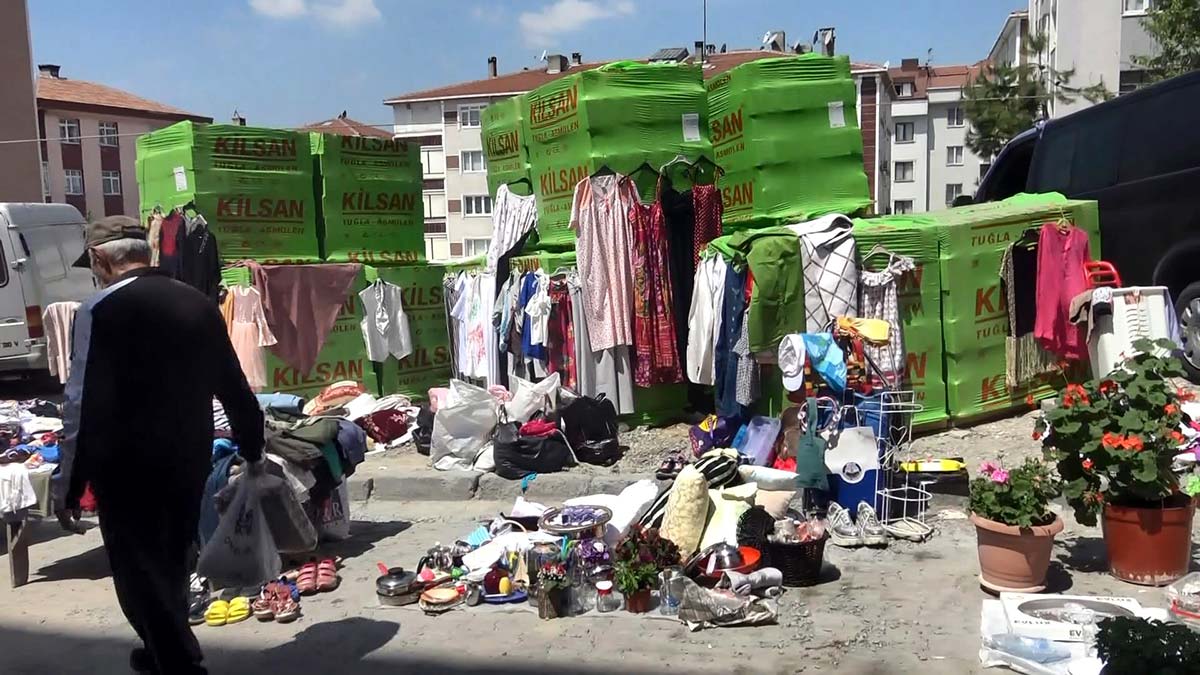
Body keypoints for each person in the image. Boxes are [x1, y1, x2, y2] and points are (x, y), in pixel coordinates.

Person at [53, 216, 264, 675]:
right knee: (171, 561)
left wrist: (68, 482)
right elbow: (232, 383)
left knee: (137, 575)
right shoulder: (198, 303)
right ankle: (160, 651)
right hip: (188, 458)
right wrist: (252, 444)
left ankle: (178, 662)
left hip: (126, 469)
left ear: (98, 260)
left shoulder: (98, 310)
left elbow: (81, 403)